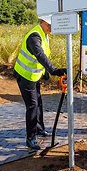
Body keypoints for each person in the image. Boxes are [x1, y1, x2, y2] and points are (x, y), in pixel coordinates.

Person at [13, 15, 67, 150]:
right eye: (49, 24)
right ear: (41, 22)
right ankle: (30, 138)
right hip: (25, 76)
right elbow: (39, 55)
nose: (51, 27)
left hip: (34, 76)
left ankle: (39, 129)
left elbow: (42, 57)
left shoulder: (44, 34)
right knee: (32, 106)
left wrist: (45, 72)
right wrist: (53, 70)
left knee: (38, 102)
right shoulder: (34, 37)